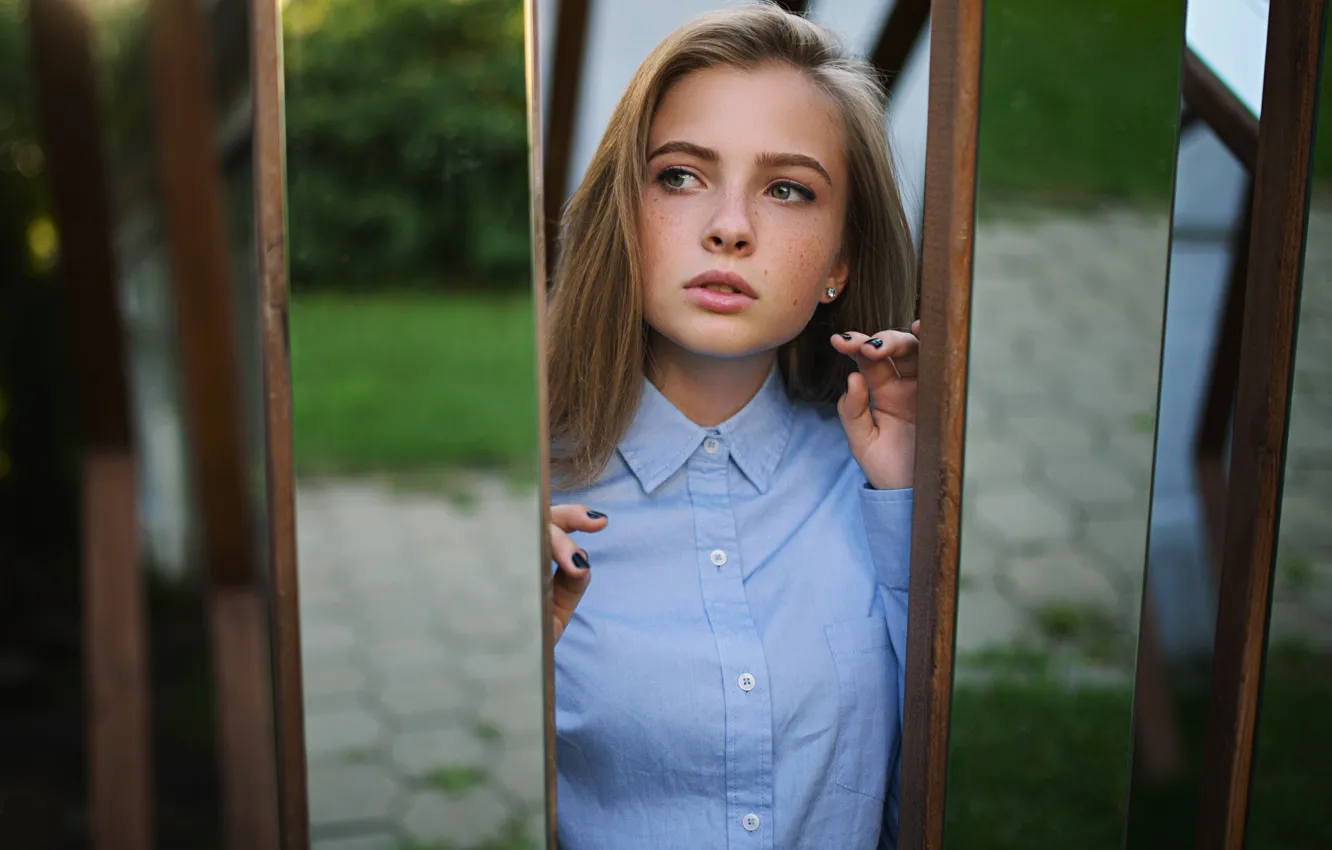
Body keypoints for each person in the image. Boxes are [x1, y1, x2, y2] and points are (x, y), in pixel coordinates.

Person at [544, 4, 918, 848]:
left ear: (840, 263)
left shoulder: (884, 483)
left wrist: (905, 503)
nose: (730, 226)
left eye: (787, 189)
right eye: (680, 175)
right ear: (624, 213)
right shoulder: (527, 500)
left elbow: (946, 780)